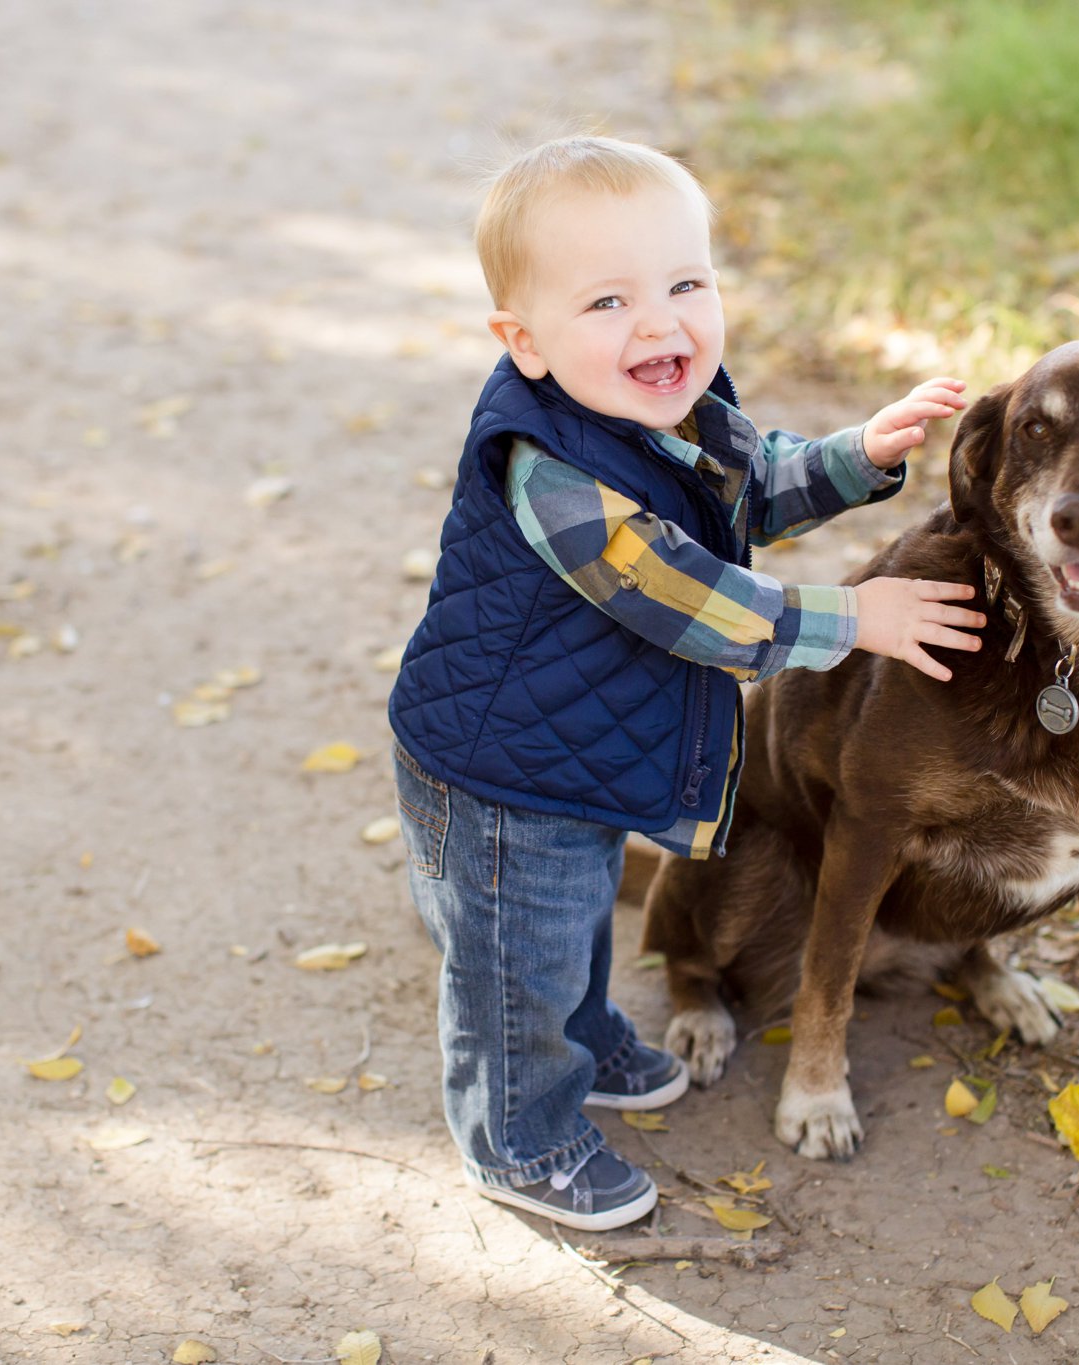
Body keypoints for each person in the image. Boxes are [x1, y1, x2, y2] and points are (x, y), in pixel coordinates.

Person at [387, 135, 984, 1231]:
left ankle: (581, 1033)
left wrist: (858, 454)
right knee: (514, 959)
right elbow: (680, 594)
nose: (659, 324)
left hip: (571, 752)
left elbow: (751, 488)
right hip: (497, 771)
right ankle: (518, 1135)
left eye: (684, 284)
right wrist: (854, 618)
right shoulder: (550, 469)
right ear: (522, 342)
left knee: (565, 924)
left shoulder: (679, 406)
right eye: (607, 301)